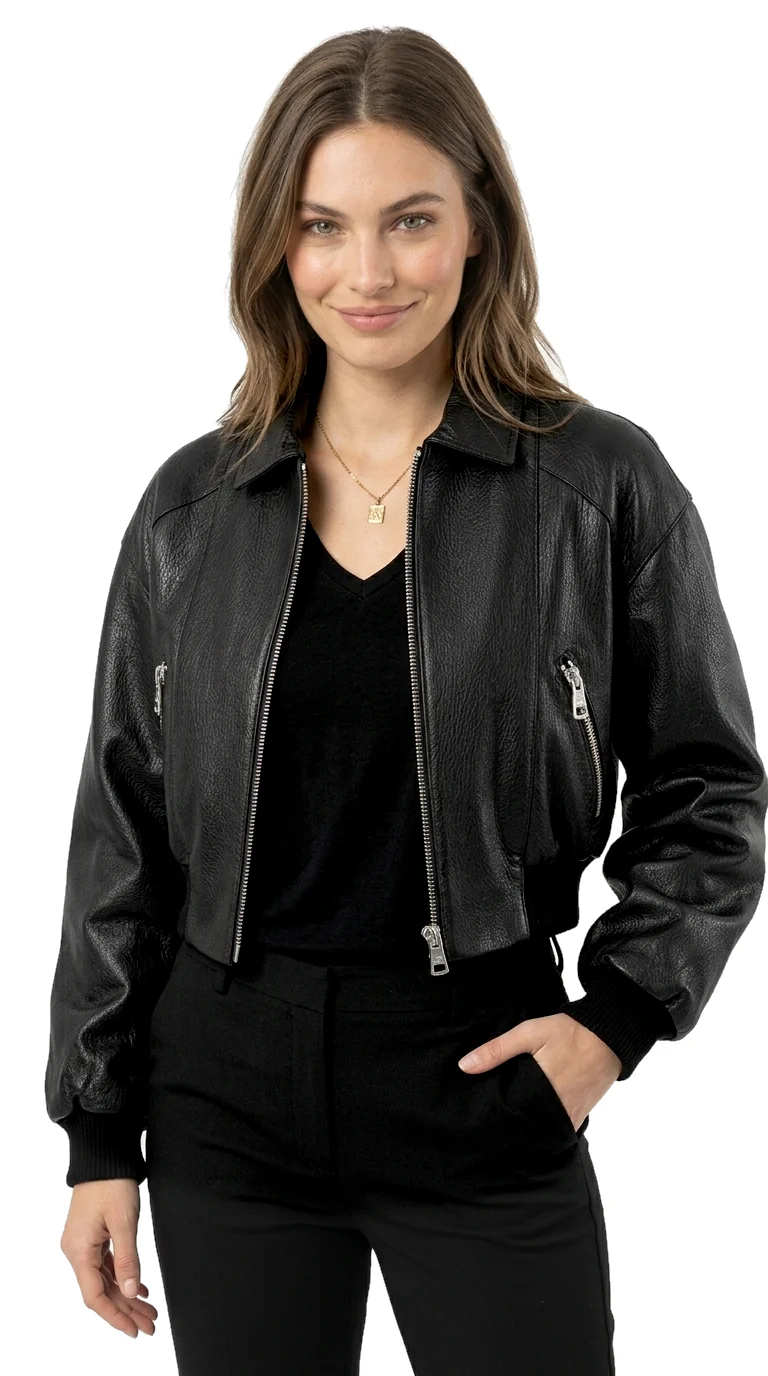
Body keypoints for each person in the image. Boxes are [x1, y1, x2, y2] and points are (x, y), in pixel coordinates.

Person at [45, 26, 767, 1376]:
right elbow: (122, 832)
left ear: (479, 226)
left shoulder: (598, 486)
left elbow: (711, 791)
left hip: (481, 1080)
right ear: (277, 245)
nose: (367, 273)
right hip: (224, 1101)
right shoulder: (193, 507)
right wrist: (97, 1135)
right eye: (323, 226)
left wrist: (612, 1024)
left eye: (411, 220)